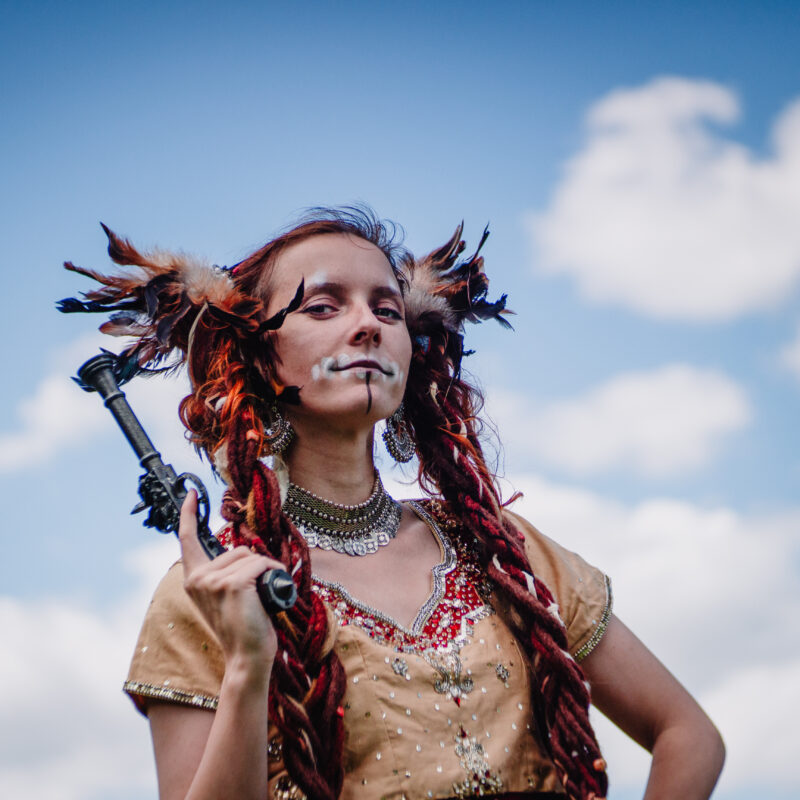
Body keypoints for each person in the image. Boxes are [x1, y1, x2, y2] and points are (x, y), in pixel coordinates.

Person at [63, 208, 725, 800]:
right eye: (323, 307)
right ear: (259, 360)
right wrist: (246, 666)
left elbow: (688, 734)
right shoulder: (209, 591)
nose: (367, 327)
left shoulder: (506, 552)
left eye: (386, 310)